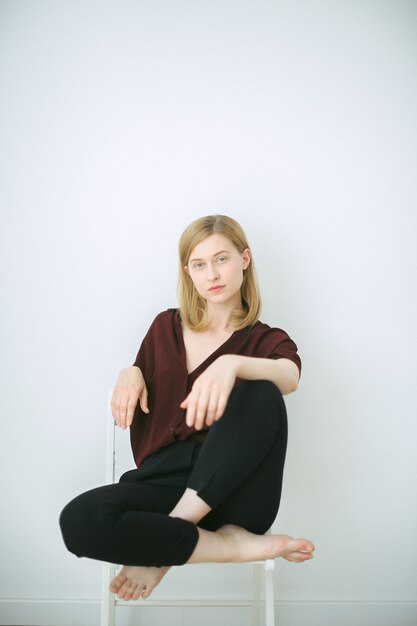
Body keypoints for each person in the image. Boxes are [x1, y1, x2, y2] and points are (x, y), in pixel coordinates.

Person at [59, 214, 315, 602]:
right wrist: (129, 371)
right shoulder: (164, 327)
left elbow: (289, 377)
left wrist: (233, 364)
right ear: (188, 272)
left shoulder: (267, 340)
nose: (211, 273)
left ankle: (167, 546)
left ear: (245, 259)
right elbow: (141, 375)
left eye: (221, 259)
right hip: (162, 481)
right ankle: (230, 546)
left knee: (261, 391)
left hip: (237, 492)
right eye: (199, 264)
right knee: (78, 521)